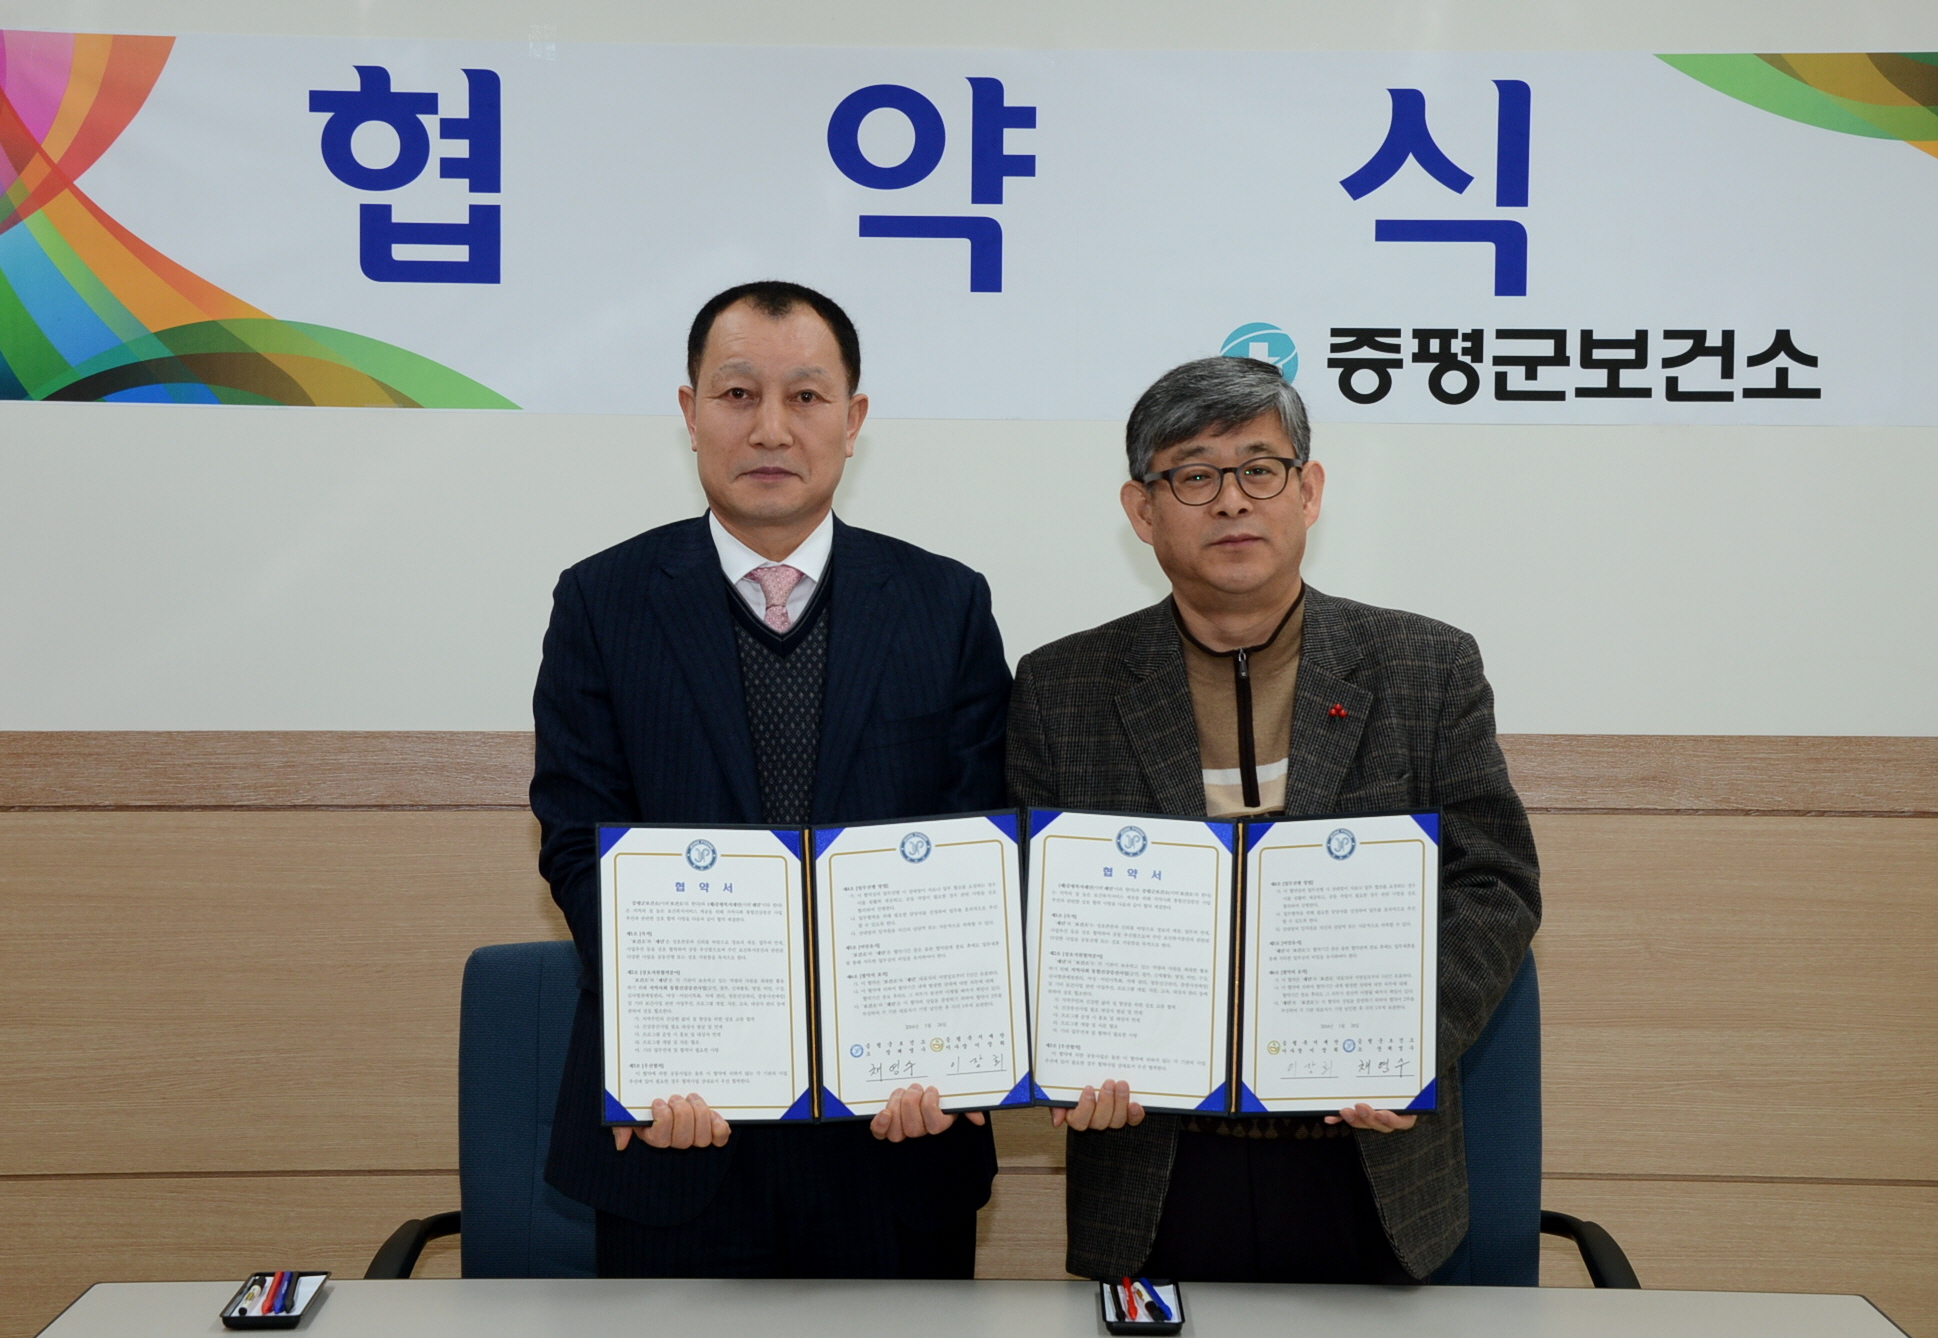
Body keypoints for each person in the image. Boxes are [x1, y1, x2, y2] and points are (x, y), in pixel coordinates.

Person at [1006, 356, 1540, 1284]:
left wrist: (1407, 1049)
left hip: (1366, 1153)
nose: (1231, 502)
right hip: (1155, 1159)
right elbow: (1025, 910)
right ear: (1142, 511)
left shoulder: (1426, 666)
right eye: (1194, 476)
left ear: (1309, 491)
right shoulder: (1062, 687)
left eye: (1259, 470)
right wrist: (1063, 1053)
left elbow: (1495, 883)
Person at [530, 281, 1009, 1278]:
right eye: (738, 394)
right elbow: (579, 844)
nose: (771, 429)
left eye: (807, 397)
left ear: (854, 420)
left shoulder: (945, 603)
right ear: (690, 410)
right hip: (678, 1127)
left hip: (897, 1129)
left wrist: (945, 1046)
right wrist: (666, 1045)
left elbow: (979, 847)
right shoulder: (603, 602)